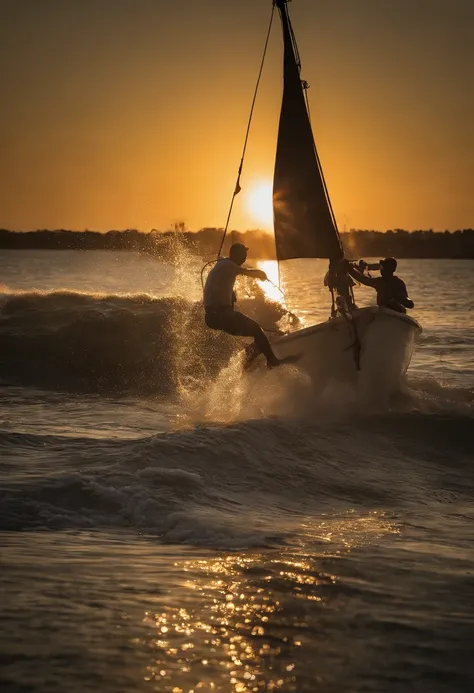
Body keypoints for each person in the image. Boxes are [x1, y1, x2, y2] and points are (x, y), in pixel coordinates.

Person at [204, 242, 299, 369]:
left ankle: (248, 360)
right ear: (236, 255)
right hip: (220, 315)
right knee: (256, 329)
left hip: (214, 316)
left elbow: (219, 283)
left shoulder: (223, 264)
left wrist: (230, 293)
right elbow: (245, 272)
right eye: (243, 255)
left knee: (256, 331)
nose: (245, 259)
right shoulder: (228, 265)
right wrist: (259, 273)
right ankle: (273, 361)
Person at [348, 257, 414, 313]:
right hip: (384, 313)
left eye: (384, 268)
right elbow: (363, 279)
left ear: (390, 270)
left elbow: (410, 304)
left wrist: (399, 298)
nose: (381, 269)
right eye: (382, 267)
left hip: (396, 313)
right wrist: (350, 270)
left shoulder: (398, 283)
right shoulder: (380, 281)